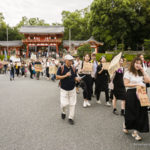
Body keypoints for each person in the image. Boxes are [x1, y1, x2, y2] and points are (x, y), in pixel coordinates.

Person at [123, 57, 150, 141]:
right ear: (133, 63)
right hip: (131, 94)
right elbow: (126, 84)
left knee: (141, 113)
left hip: (142, 94)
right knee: (131, 113)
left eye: (140, 63)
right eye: (136, 63)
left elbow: (148, 81)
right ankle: (126, 124)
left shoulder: (141, 72)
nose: (138, 65)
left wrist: (142, 70)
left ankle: (135, 132)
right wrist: (136, 84)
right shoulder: (128, 72)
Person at [56, 54, 80, 125]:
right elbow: (57, 77)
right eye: (69, 60)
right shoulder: (61, 68)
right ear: (65, 61)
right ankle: (63, 112)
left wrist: (77, 79)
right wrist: (65, 75)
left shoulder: (73, 68)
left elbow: (75, 77)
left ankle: (71, 117)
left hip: (72, 88)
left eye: (71, 60)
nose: (71, 62)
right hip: (63, 89)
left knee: (72, 103)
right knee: (64, 104)